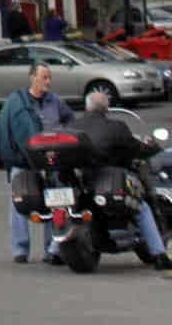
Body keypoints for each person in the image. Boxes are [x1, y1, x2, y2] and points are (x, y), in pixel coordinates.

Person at [74, 89, 172, 272]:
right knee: (142, 208)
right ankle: (160, 255)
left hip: (80, 183)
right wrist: (152, 148)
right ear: (106, 108)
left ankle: (53, 251)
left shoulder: (73, 125)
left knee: (71, 212)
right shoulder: (116, 127)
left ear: (87, 107)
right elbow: (135, 148)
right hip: (106, 182)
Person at [0, 63, 74, 264]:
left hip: (52, 160)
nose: (48, 82)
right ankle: (20, 250)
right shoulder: (17, 102)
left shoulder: (55, 101)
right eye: (44, 77)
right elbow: (5, 130)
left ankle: (52, 249)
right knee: (19, 204)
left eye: (50, 77)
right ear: (32, 77)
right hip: (23, 161)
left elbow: (71, 120)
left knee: (55, 201)